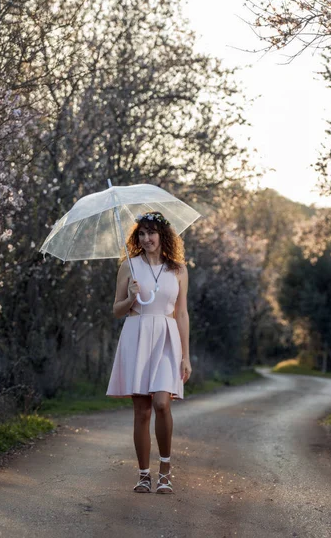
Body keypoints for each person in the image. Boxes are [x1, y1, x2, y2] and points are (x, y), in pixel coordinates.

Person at [106, 211, 192, 494]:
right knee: (142, 411)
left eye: (151, 232)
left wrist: (186, 355)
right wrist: (130, 297)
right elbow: (117, 311)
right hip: (137, 335)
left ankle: (165, 472)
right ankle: (144, 475)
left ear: (163, 235)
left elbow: (181, 313)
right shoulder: (128, 267)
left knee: (162, 403)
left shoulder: (178, 270)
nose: (146, 238)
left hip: (167, 339)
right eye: (141, 233)